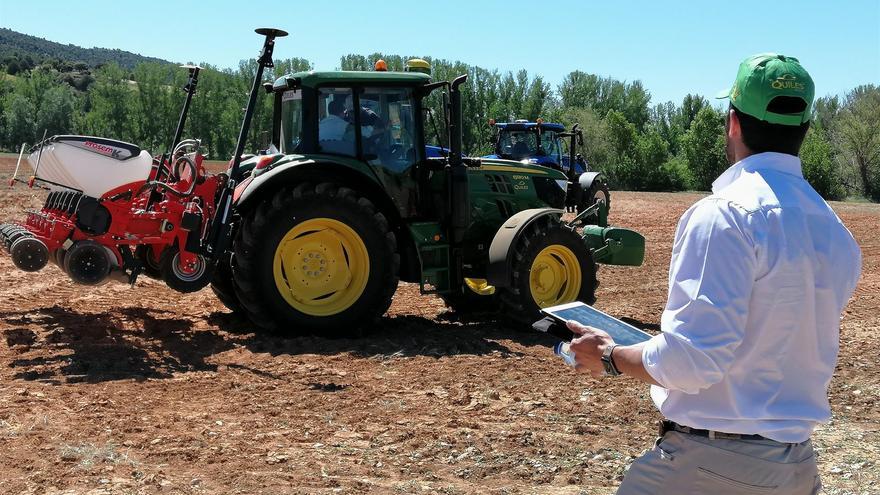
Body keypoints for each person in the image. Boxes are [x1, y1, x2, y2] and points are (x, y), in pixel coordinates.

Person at [565, 53, 862, 494]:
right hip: (797, 467)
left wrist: (609, 355)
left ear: (733, 123)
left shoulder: (725, 215)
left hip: (712, 466)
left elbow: (693, 362)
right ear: (805, 130)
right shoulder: (833, 230)